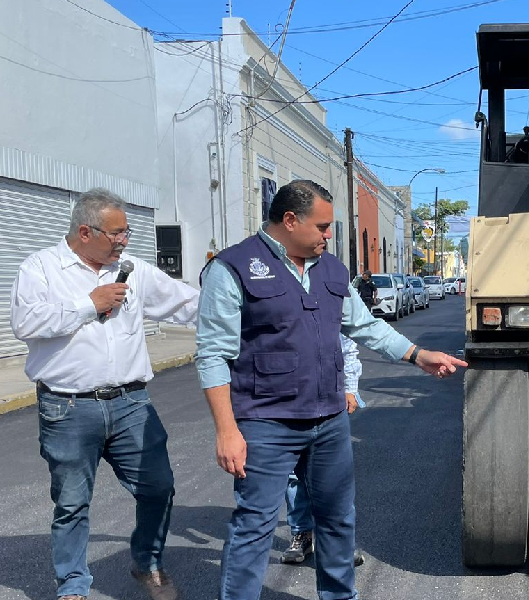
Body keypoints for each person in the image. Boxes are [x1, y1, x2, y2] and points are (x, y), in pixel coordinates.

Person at [195, 179, 467, 600]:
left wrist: (418, 354)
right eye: (322, 227)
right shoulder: (232, 268)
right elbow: (213, 354)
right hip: (266, 423)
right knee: (254, 525)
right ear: (289, 220)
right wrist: (227, 430)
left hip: (328, 421)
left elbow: (366, 325)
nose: (328, 236)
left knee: (338, 520)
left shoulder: (332, 269)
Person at [10, 188, 199, 600]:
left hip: (132, 403)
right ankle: (74, 585)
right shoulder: (41, 267)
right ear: (85, 231)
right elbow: (26, 322)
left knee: (159, 487)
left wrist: (240, 304)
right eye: (117, 233)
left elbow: (187, 305)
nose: (125, 240)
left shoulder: (135, 271)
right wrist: (88, 304)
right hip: (68, 406)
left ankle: (146, 562)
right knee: (72, 502)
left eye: (127, 231)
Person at [281, 334, 365, 566]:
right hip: (285, 401)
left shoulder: (331, 297)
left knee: (333, 476)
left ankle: (340, 542)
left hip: (328, 398)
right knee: (293, 474)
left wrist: (350, 387)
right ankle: (302, 534)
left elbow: (347, 343)